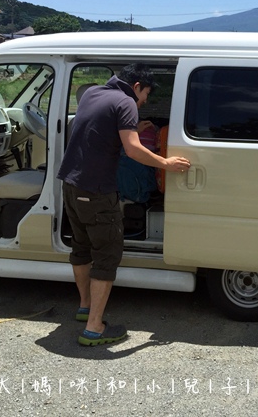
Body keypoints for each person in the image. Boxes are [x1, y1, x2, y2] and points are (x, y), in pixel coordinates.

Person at [58, 63, 190, 346]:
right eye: (145, 95)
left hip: (71, 185)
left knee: (81, 248)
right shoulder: (126, 102)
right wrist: (166, 163)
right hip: (96, 191)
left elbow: (100, 128)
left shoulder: (92, 93)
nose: (144, 102)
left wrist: (132, 126)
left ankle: (84, 308)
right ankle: (95, 328)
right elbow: (132, 149)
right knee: (107, 256)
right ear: (137, 86)